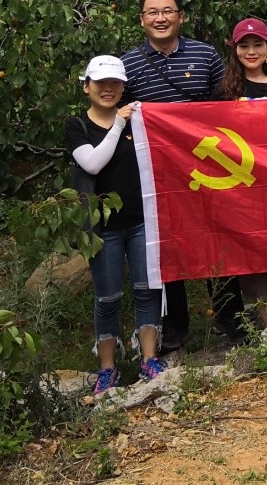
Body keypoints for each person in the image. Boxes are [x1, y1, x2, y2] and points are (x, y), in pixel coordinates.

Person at [120, 0, 229, 352]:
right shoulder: (128, 65)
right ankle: (175, 330)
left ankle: (230, 319)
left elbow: (223, 107)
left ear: (181, 16)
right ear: (142, 20)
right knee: (168, 247)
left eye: (167, 11)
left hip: (208, 169)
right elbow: (120, 117)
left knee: (218, 240)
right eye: (152, 12)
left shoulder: (206, 55)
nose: (160, 18)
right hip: (160, 176)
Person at [65, 56, 163, 398]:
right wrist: (120, 124)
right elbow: (92, 163)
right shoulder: (77, 125)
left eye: (115, 83)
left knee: (147, 290)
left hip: (141, 221)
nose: (109, 89)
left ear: (123, 87)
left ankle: (149, 359)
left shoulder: (139, 121)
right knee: (107, 297)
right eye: (101, 83)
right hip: (101, 229)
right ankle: (107, 367)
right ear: (86, 86)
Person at [216, 17, 267, 348]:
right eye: (244, 45)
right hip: (244, 188)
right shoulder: (225, 91)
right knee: (255, 259)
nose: (251, 51)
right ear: (235, 50)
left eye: (257, 44)